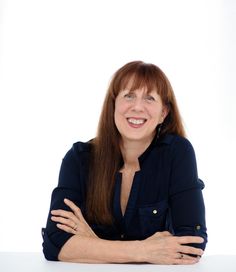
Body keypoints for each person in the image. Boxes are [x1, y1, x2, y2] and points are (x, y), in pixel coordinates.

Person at [42, 61, 207, 264]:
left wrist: (90, 243)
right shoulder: (79, 158)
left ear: (163, 113)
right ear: (113, 105)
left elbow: (192, 246)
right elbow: (54, 244)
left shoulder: (177, 153)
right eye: (129, 95)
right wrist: (144, 251)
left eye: (149, 98)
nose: (137, 107)